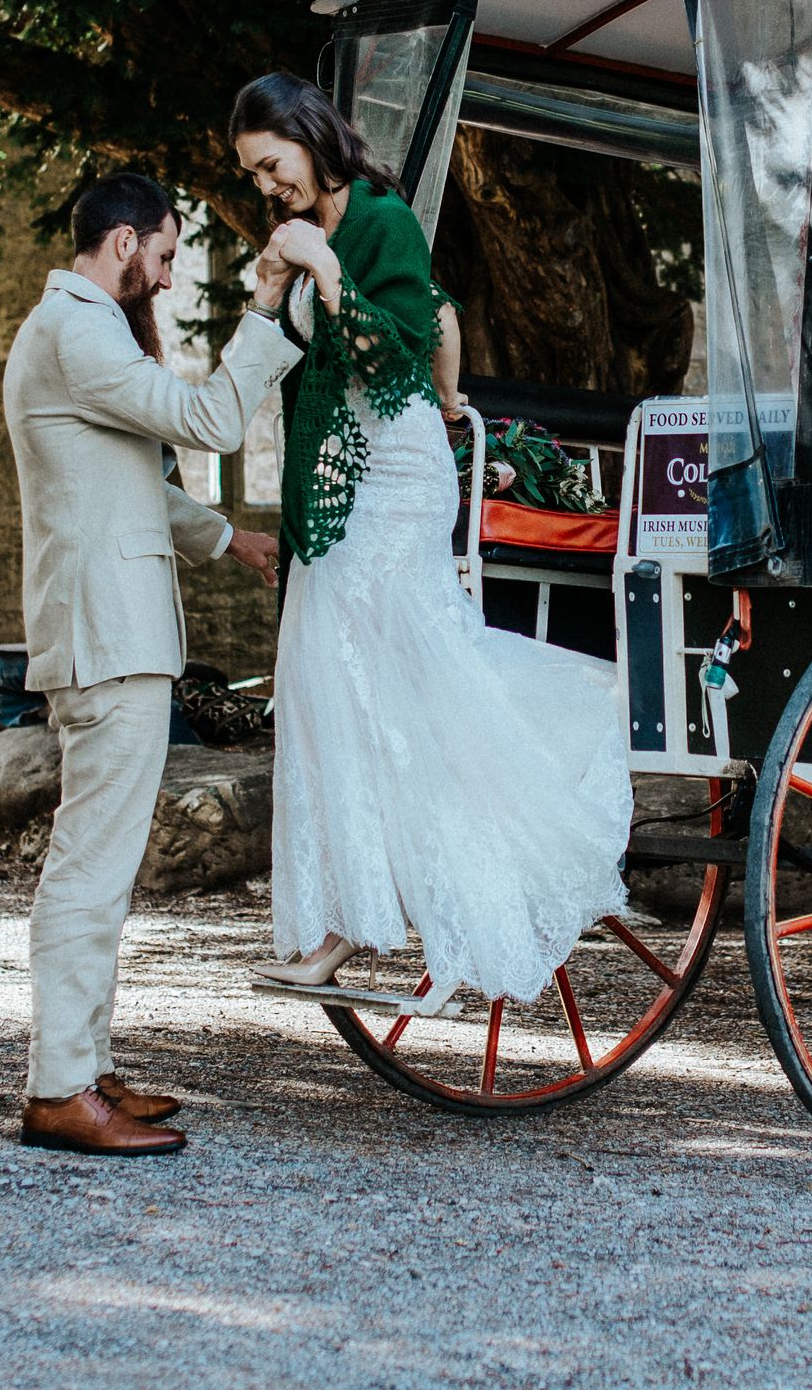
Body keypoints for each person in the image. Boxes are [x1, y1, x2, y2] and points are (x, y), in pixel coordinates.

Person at [227, 72, 633, 1015]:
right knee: (330, 675)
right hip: (343, 473)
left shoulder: (379, 220)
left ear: (309, 136)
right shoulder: (312, 230)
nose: (266, 187)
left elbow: (404, 338)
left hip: (392, 476)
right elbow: (439, 321)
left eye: (270, 165)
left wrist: (325, 272)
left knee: (353, 662)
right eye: (251, 176)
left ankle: (378, 899)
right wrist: (278, 279)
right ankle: (349, 906)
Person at [6, 172, 300, 1156]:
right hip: (104, 638)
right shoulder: (77, 330)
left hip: (112, 632)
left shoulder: (75, 334)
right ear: (124, 241)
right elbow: (212, 422)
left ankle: (82, 1067)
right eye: (168, 256)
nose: (172, 278)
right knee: (89, 865)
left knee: (102, 861)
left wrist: (228, 539)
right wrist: (265, 311)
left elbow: (137, 479)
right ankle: (58, 1088)